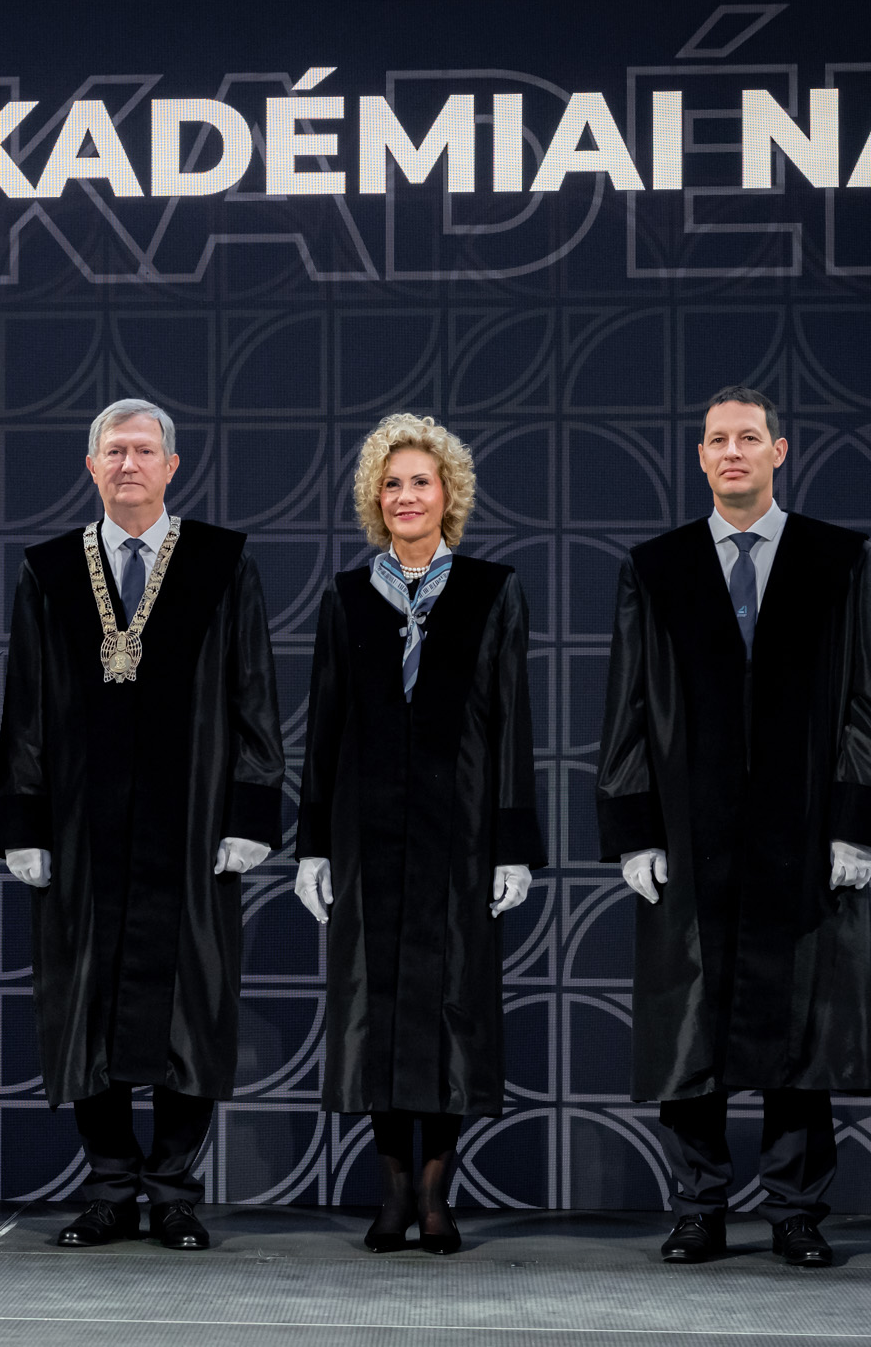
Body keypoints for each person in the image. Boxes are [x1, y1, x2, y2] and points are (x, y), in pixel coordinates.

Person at [596, 385, 871, 1268]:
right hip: (694, 836)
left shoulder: (837, 560)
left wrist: (859, 822)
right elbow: (626, 707)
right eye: (716, 439)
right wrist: (634, 829)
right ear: (699, 458)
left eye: (749, 437)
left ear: (780, 451)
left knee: (804, 1027)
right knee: (688, 1024)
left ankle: (796, 1210)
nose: (732, 451)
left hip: (803, 835)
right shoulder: (658, 567)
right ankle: (698, 1205)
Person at [0, 398, 285, 1252]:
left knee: (190, 1002)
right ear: (91, 467)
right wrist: (24, 821)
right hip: (83, 829)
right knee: (86, 1002)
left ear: (171, 466)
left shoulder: (221, 563)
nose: (128, 464)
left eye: (143, 450)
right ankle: (110, 1186)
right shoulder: (48, 571)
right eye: (113, 451)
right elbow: (28, 708)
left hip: (192, 827)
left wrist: (253, 809)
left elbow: (254, 691)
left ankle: (175, 1189)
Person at [294, 414, 544, 1255]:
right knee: (374, 1013)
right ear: (376, 498)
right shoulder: (345, 595)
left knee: (448, 1015)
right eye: (392, 483)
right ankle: (392, 1192)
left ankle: (437, 1195)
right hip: (368, 839)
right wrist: (313, 846)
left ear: (449, 496)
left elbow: (513, 722)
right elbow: (323, 727)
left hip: (460, 837)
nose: (406, 495)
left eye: (421, 482)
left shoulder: (490, 590)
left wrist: (514, 843)